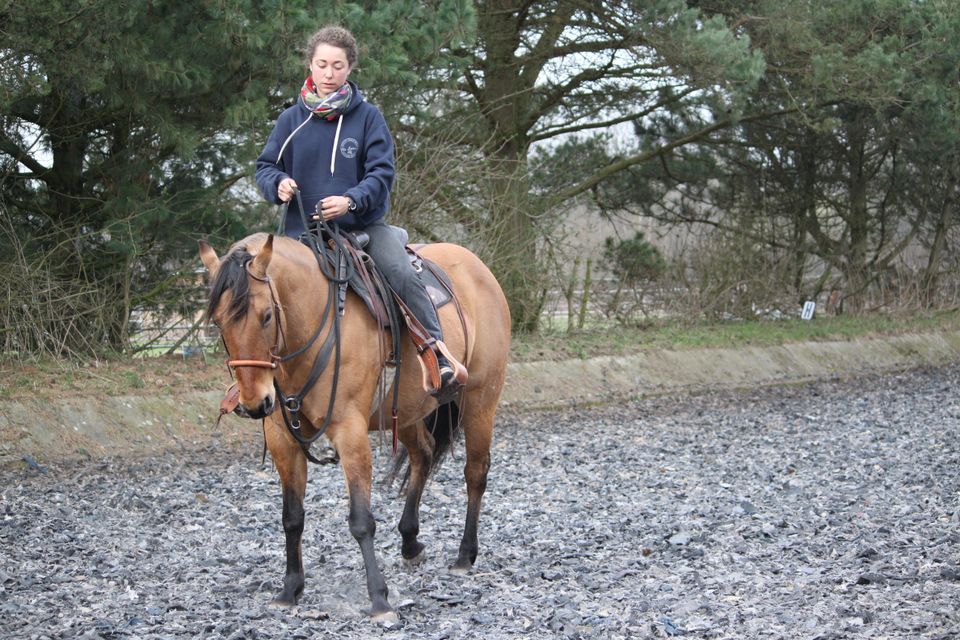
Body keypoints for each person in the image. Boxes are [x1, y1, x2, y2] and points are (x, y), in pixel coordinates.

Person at [255, 25, 464, 392]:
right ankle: (253, 377)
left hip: (362, 230)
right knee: (256, 289)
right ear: (310, 65)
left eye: (338, 65)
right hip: (301, 234)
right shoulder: (290, 120)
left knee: (400, 271)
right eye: (322, 64)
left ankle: (437, 354)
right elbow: (265, 167)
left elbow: (382, 173)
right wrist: (278, 183)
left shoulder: (368, 118)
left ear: (349, 68)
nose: (329, 74)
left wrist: (350, 200)